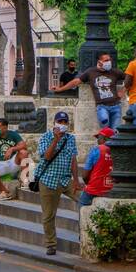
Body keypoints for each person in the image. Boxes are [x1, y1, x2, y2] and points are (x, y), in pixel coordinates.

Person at [34, 110, 80, 256]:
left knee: (86, 201)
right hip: (49, 179)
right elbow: (46, 157)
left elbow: (73, 160)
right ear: (54, 123)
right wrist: (55, 139)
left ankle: (84, 233)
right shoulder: (46, 137)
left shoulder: (71, 139)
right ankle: (51, 244)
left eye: (65, 122)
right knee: (48, 215)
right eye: (60, 122)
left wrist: (77, 180)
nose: (63, 125)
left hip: (66, 179)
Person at [55, 52, 124, 130]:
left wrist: (123, 91)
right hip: (102, 106)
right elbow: (76, 82)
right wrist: (60, 89)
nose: (109, 62)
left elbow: (129, 78)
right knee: (105, 127)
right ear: (99, 62)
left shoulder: (115, 72)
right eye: (106, 60)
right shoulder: (91, 72)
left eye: (109, 60)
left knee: (115, 132)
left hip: (116, 106)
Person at [78, 127, 114, 206]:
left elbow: (84, 175)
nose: (97, 140)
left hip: (94, 189)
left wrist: (88, 183)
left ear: (104, 138)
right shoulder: (119, 151)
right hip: (111, 190)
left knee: (82, 208)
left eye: (99, 138)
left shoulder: (96, 150)